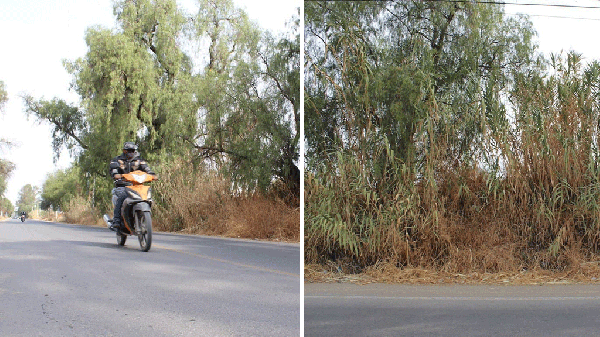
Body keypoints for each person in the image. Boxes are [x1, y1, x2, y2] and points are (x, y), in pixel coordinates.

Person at [108, 142, 156, 230]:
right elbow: (113, 170)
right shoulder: (117, 160)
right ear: (124, 151)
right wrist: (116, 175)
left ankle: (145, 216)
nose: (131, 153)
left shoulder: (139, 161)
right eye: (129, 151)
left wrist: (152, 175)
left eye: (133, 151)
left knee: (147, 196)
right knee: (122, 195)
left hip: (136, 186)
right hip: (122, 186)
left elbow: (147, 169)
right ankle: (116, 220)